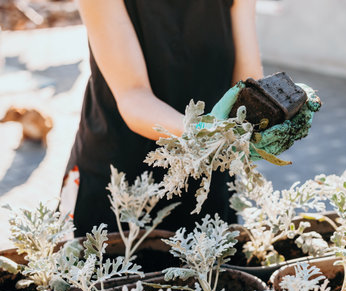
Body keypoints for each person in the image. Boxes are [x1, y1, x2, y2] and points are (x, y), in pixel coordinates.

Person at [60, 0, 320, 237]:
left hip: (209, 173)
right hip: (121, 176)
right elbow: (133, 96)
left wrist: (272, 108)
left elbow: (246, 83)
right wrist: (205, 133)